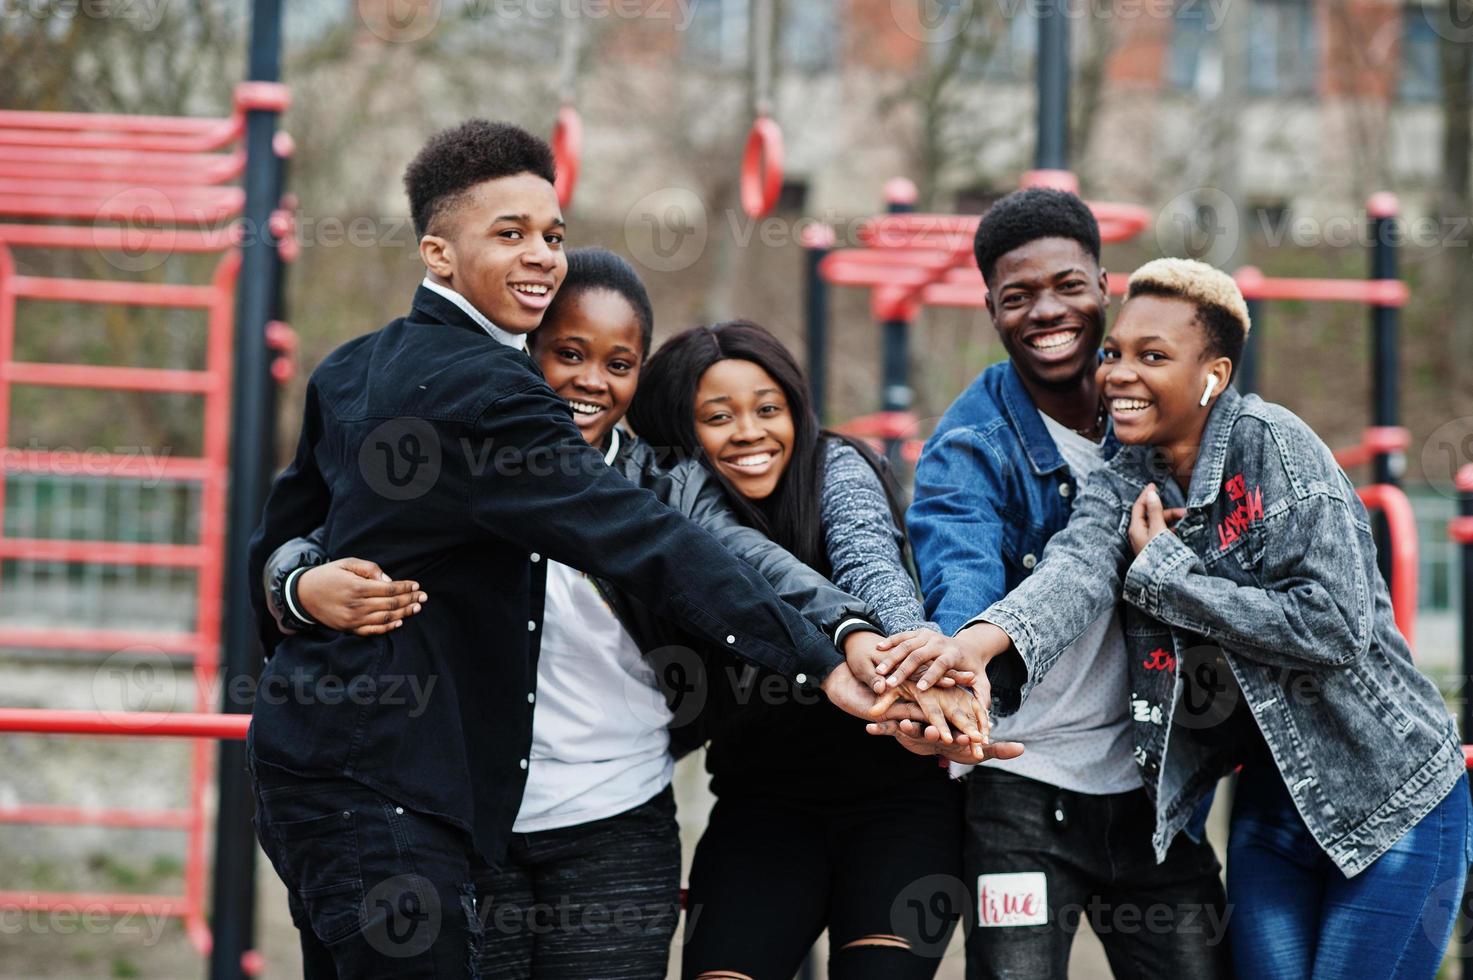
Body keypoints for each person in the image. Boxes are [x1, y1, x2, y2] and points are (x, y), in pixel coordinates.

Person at [246, 120, 914, 979]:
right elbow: (646, 541)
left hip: (314, 766)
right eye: (510, 233)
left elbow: (278, 535)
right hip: (385, 794)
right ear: (438, 254)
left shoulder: (350, 364)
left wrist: (294, 590)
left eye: (552, 235)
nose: (540, 256)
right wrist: (822, 665)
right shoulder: (493, 391)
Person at [878, 258, 1472, 979]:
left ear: (1211, 375)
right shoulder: (1130, 470)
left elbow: (1332, 627)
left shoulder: (1274, 447)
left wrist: (1167, 575)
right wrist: (974, 645)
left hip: (1391, 792)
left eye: (1151, 357)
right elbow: (1075, 569)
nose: (1118, 375)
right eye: (1114, 354)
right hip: (1275, 804)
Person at [898, 188, 1231, 979]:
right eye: (1018, 297)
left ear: (1104, 287)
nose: (1045, 311)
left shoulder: (1168, 416)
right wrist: (958, 674)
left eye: (1066, 286)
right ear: (990, 309)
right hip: (1021, 786)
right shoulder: (968, 447)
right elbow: (961, 573)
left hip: (1154, 786)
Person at [626, 321, 1019, 980]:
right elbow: (743, 561)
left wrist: (911, 656)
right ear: (683, 432)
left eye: (768, 409)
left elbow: (870, 560)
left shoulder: (837, 464)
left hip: (898, 807)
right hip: (760, 810)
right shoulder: (683, 508)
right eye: (717, 417)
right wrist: (847, 638)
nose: (749, 432)